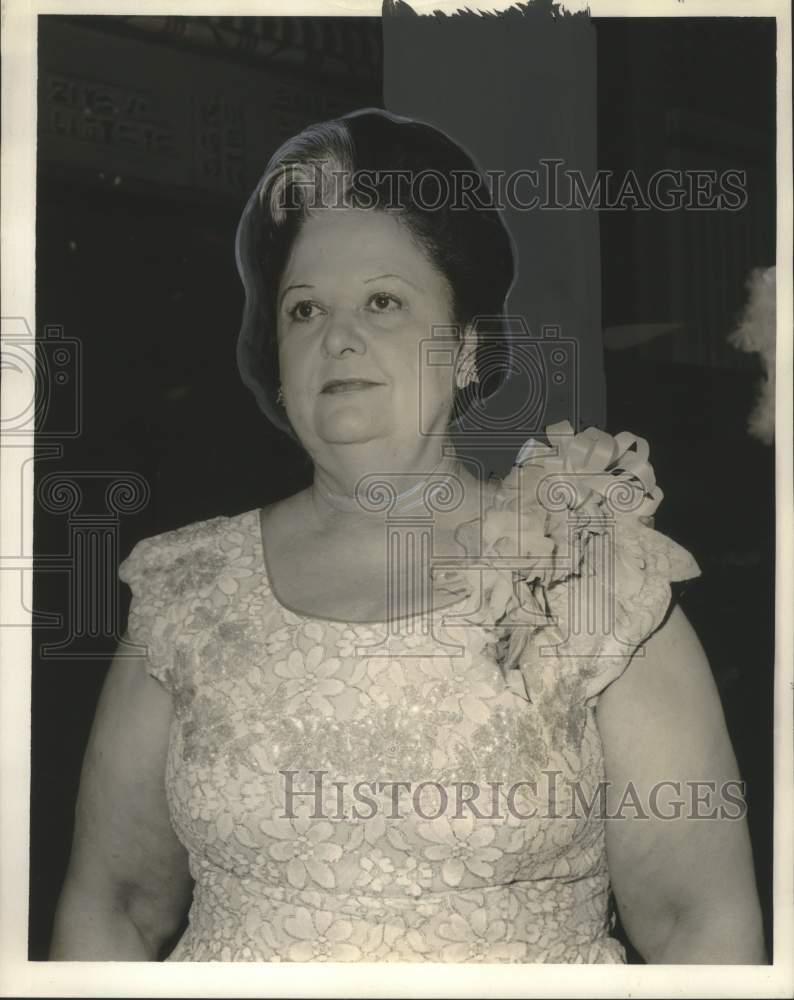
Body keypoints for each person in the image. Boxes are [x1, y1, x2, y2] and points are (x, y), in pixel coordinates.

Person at [50, 108, 765, 963]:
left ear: (466, 347)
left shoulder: (598, 574)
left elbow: (701, 926)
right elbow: (115, 907)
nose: (338, 335)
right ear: (277, 360)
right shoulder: (184, 589)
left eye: (383, 301)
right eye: (304, 309)